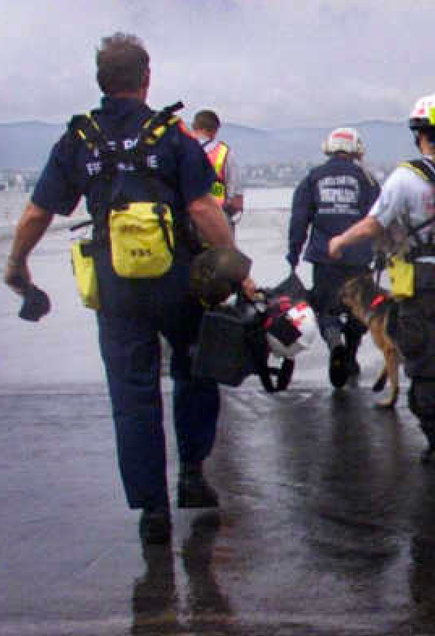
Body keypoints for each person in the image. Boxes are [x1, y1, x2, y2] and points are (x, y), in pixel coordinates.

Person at [3, 33, 255, 545]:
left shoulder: (80, 138)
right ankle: (191, 475)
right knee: (194, 373)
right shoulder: (172, 135)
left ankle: (152, 510)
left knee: (132, 394)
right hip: (182, 282)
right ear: (146, 79)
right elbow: (204, 209)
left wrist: (17, 265)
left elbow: (37, 212)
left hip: (117, 288)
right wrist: (240, 270)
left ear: (102, 83)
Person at [329, 93, 435, 471]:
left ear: (416, 132)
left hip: (423, 281)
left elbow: (375, 224)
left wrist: (339, 241)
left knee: (422, 360)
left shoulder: (405, 178)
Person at [287, 127, 380, 388]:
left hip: (324, 258)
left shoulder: (313, 178)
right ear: (357, 150)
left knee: (326, 307)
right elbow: (380, 218)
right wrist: (382, 253)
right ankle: (350, 355)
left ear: (329, 147)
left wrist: (293, 254)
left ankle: (334, 343)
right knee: (360, 309)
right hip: (359, 258)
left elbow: (299, 220)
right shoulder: (368, 180)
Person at [191, 109, 244, 230]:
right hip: (217, 216)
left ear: (194, 127)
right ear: (215, 130)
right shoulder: (223, 152)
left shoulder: (180, 149)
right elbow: (236, 191)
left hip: (186, 216)